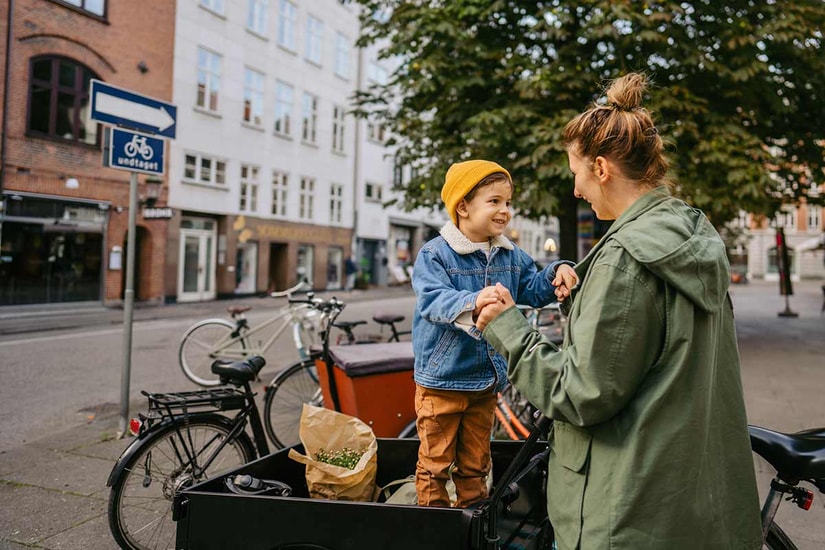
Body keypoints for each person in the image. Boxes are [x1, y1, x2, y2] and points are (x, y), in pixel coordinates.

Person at [475, 73, 762, 548]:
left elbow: (582, 392)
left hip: (626, 509)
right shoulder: (688, 234)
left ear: (602, 169)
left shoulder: (625, 259)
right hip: (686, 501)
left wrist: (507, 328)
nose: (576, 190)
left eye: (576, 173)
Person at [411, 159, 578, 508]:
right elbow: (432, 299)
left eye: (507, 202)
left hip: (486, 382)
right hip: (441, 382)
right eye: (494, 201)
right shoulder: (435, 254)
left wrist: (557, 273)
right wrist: (474, 300)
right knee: (435, 464)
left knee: (476, 463)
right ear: (463, 207)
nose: (505, 210)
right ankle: (432, 526)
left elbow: (531, 286)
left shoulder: (509, 253)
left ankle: (472, 523)